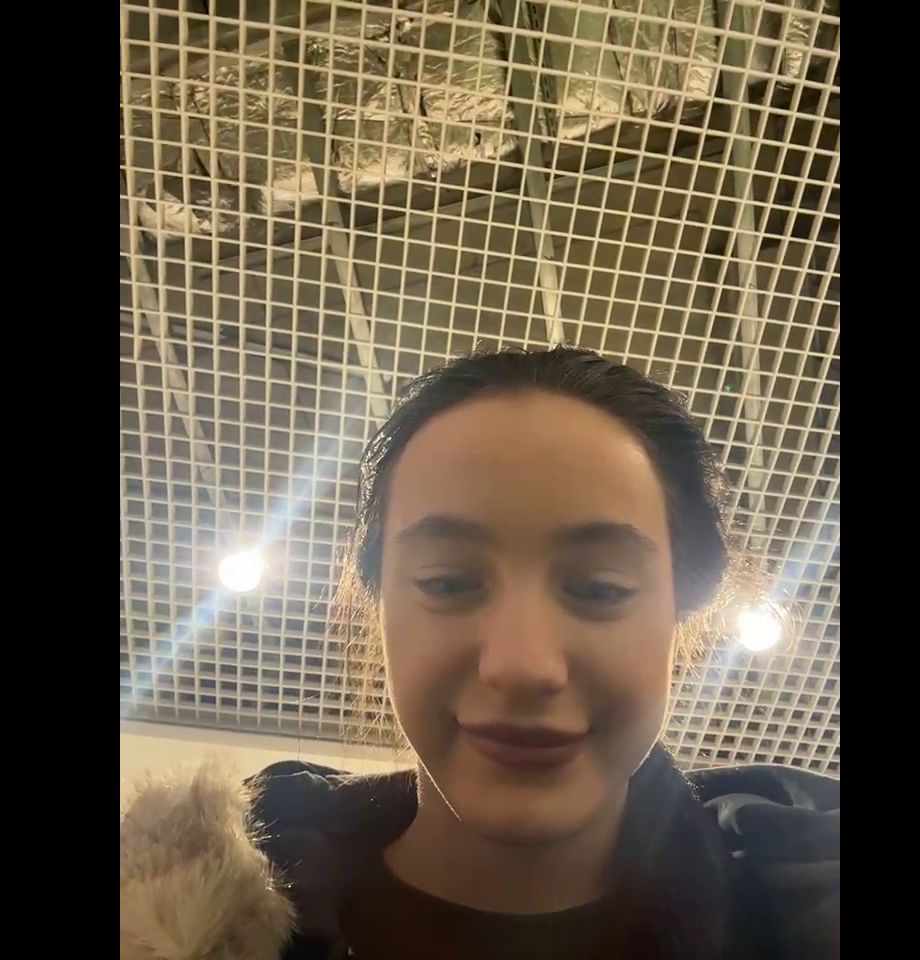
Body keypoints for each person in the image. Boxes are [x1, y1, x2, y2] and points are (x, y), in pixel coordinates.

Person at [120, 346, 839, 960]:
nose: (522, 665)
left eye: (600, 588)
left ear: (681, 615)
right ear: (379, 606)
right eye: (448, 582)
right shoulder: (164, 922)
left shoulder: (806, 913)